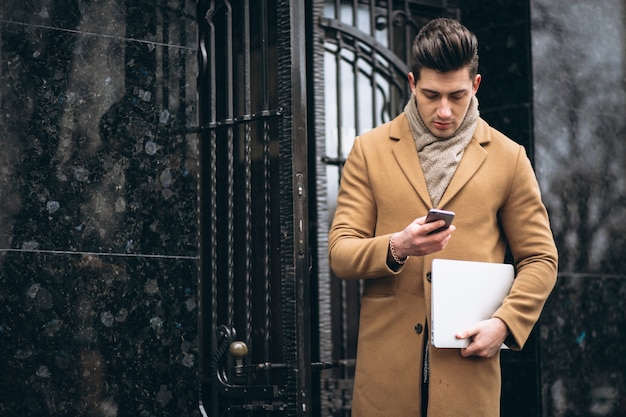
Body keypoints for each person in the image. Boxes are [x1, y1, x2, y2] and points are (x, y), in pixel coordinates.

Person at [328, 17, 558, 417]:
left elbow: (540, 259)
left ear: (477, 86)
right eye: (432, 95)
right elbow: (340, 252)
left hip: (468, 378)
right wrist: (397, 246)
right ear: (413, 83)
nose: (444, 111)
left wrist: (504, 324)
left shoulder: (509, 158)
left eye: (457, 95)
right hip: (385, 381)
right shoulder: (370, 151)